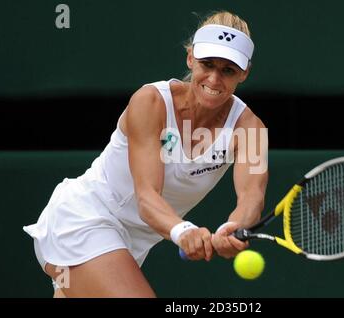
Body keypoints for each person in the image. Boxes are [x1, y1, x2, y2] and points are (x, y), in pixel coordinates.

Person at [23, 10, 268, 298]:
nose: (214, 79)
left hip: (129, 248)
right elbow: (147, 196)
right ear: (190, 58)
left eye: (228, 70)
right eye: (207, 64)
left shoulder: (250, 128)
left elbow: (251, 196)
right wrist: (182, 231)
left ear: (244, 73)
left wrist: (234, 227)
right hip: (84, 219)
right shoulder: (150, 102)